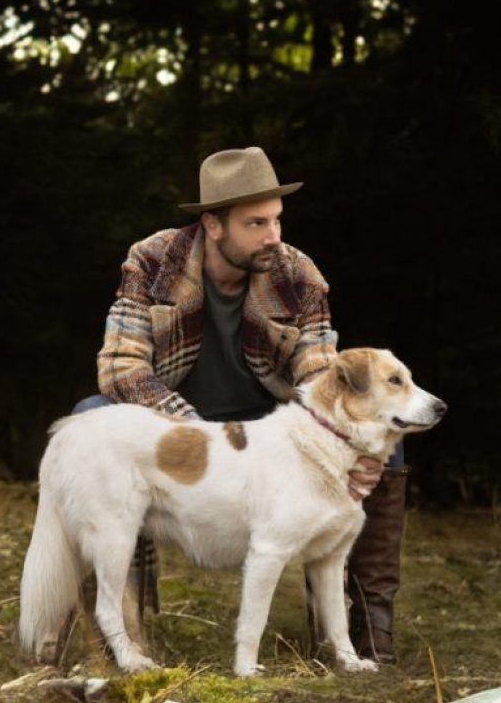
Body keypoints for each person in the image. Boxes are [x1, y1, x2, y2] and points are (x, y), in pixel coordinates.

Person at [81, 146, 409, 663]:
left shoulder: (297, 272)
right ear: (213, 224)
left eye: (277, 220)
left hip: (270, 428)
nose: (273, 236)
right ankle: (117, 630)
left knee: (386, 444)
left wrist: (359, 450)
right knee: (90, 416)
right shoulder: (152, 259)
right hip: (176, 420)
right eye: (256, 223)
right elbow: (121, 367)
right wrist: (191, 432)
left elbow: (323, 374)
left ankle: (365, 633)